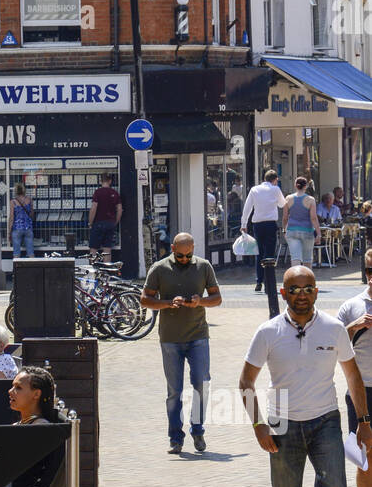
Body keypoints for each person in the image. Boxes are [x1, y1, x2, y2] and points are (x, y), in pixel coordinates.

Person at [239, 264, 370, 487]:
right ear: (283, 293)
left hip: (325, 419)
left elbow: (353, 376)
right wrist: (258, 424)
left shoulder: (333, 329)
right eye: (294, 289)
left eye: (308, 288)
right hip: (282, 423)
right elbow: (246, 382)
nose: (301, 295)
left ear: (317, 291)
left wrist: (364, 421)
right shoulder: (267, 332)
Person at [140, 232, 222, 454]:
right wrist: (167, 303)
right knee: (174, 391)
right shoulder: (159, 268)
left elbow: (217, 298)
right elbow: (145, 299)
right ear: (173, 249)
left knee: (201, 384)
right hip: (170, 338)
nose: (184, 259)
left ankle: (198, 430)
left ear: (193, 248)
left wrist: (200, 301)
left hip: (198, 336)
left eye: (188, 256)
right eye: (180, 256)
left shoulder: (204, 267)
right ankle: (175, 438)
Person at [336, 248, 372, 487]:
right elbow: (332, 346)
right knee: (364, 462)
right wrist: (356, 326)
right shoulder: (351, 306)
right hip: (360, 393)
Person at [241, 169, 286, 291]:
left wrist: (244, 223)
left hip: (257, 225)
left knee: (259, 253)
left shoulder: (254, 189)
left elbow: (247, 207)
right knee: (269, 254)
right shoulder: (275, 189)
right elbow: (282, 204)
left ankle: (259, 281)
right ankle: (268, 282)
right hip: (270, 224)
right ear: (275, 179)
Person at [282, 176, 321, 266]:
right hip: (307, 231)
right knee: (307, 259)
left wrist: (284, 230)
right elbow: (313, 218)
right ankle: (308, 279)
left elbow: (285, 217)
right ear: (306, 186)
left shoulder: (288, 198)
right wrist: (318, 233)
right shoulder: (310, 200)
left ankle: (296, 279)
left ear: (295, 185)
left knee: (295, 258)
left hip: (291, 231)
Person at [88, 173, 122, 263]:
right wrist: (115, 222)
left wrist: (90, 222)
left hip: (98, 223)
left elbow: (94, 208)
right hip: (110, 223)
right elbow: (119, 209)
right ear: (110, 181)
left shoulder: (98, 192)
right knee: (107, 250)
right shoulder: (115, 193)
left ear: (100, 181)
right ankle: (106, 272)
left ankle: (93, 272)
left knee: (93, 250)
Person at [8, 183, 35, 258]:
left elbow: (11, 217)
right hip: (28, 228)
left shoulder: (13, 202)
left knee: (16, 253)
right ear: (24, 190)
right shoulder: (29, 200)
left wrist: (9, 231)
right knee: (30, 252)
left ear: (16, 191)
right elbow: (32, 214)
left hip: (17, 228)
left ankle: (16, 269)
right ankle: (34, 268)